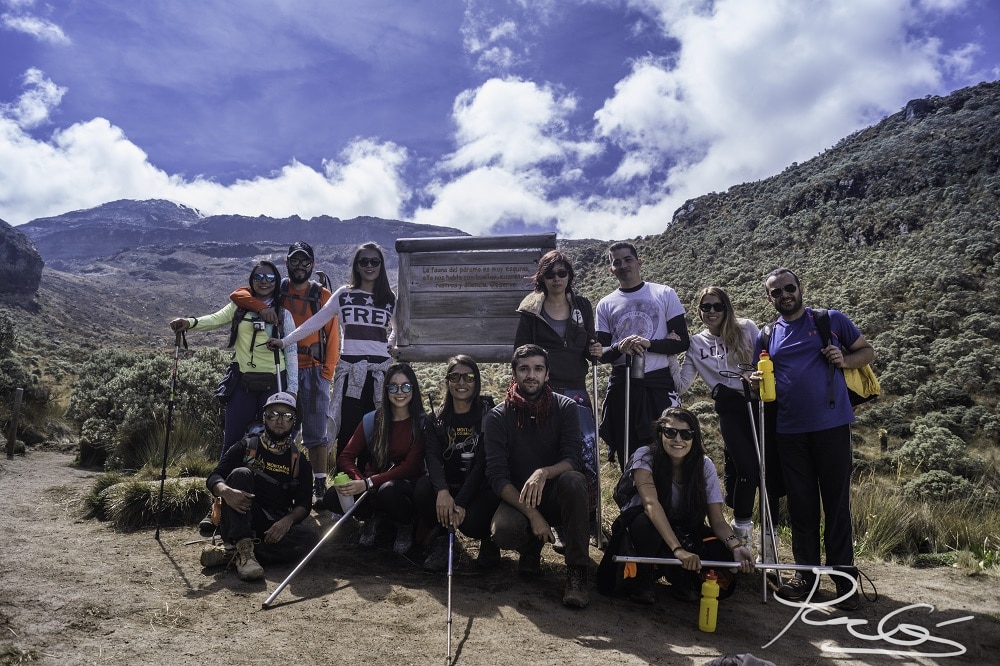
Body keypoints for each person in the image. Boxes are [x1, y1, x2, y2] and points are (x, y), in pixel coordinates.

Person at [756, 268, 874, 610]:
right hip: (789, 431)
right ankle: (805, 579)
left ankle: (844, 582)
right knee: (801, 506)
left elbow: (867, 351)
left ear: (800, 288)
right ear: (770, 299)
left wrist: (846, 359)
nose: (784, 295)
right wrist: (754, 380)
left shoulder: (829, 320)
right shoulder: (766, 335)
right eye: (776, 292)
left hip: (832, 426)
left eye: (788, 288)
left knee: (836, 505)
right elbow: (760, 374)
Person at [599, 408, 754, 603]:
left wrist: (736, 546)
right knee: (645, 524)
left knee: (723, 556)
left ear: (694, 437)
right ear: (660, 433)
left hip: (684, 529)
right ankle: (643, 579)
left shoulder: (704, 465)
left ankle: (682, 577)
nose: (678, 439)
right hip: (648, 527)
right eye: (670, 432)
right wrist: (678, 550)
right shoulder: (645, 456)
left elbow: (718, 521)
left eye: (686, 434)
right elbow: (650, 504)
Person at [230, 241, 340, 508]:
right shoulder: (276, 290)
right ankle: (276, 484)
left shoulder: (323, 295)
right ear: (287, 263)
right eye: (295, 261)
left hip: (314, 369)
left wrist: (327, 372)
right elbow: (238, 295)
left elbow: (334, 334)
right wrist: (261, 307)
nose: (300, 266)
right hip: (281, 368)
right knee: (280, 429)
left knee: (316, 431)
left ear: (312, 265)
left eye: (305, 262)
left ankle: (318, 484)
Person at [484, 344, 592, 608]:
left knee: (575, 480)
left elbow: (573, 459)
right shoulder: (498, 417)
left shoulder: (565, 407)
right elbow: (497, 477)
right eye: (524, 369)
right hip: (520, 499)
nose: (531, 375)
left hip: (557, 494)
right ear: (514, 373)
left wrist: (544, 472)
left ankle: (577, 572)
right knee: (504, 531)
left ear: (547, 374)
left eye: (537, 369)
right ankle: (530, 548)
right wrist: (533, 515)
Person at [270, 242, 396, 465]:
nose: (369, 265)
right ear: (356, 266)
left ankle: (371, 488)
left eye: (374, 261)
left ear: (381, 265)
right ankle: (343, 489)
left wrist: (389, 347)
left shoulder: (388, 297)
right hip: (349, 371)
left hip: (380, 373)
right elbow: (314, 323)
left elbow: (400, 329)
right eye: (363, 261)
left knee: (377, 429)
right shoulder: (343, 295)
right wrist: (285, 341)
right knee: (347, 431)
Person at [675, 287, 776, 555]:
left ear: (726, 307)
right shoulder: (696, 343)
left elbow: (765, 361)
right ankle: (742, 531)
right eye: (705, 307)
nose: (711, 312)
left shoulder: (746, 327)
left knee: (770, 470)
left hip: (760, 405)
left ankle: (770, 535)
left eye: (716, 306)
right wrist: (669, 351)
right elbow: (682, 385)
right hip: (730, 409)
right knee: (747, 468)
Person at [514, 250, 603, 541]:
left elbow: (590, 343)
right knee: (551, 454)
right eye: (550, 274)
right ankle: (558, 519)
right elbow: (520, 351)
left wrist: (595, 349)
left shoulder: (582, 306)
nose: (556, 279)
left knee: (585, 452)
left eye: (562, 273)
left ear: (570, 276)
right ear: (541, 278)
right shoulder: (530, 309)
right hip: (546, 391)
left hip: (577, 388)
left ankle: (589, 517)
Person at [170, 260, 298, 457]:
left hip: (275, 381)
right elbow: (215, 319)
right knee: (233, 439)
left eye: (270, 278)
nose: (264, 282)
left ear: (277, 281)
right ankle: (224, 481)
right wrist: (189, 322)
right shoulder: (238, 308)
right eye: (258, 277)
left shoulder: (284, 314)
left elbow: (291, 352)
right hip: (242, 380)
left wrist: (292, 391)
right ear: (251, 281)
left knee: (273, 438)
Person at [200, 392, 319, 581]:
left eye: (287, 416)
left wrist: (287, 521)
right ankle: (243, 546)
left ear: (294, 422)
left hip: (272, 525)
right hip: (237, 518)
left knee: (310, 540)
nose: (279, 420)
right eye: (273, 414)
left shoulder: (299, 461)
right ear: (264, 418)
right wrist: (225, 491)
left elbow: (304, 503)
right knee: (241, 473)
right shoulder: (246, 446)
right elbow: (214, 476)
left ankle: (234, 555)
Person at [596, 241, 689, 471]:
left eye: (628, 260)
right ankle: (633, 504)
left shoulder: (664, 293)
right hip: (623, 386)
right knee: (628, 454)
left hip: (659, 384)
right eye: (616, 262)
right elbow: (602, 354)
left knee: (668, 451)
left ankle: (668, 505)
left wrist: (649, 344)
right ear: (611, 269)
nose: (623, 265)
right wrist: (620, 347)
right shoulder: (605, 304)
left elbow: (683, 342)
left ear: (639, 262)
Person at [415, 355, 501, 571]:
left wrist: (461, 503)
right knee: (424, 488)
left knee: (477, 516)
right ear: (447, 381)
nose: (461, 382)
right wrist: (442, 491)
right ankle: (442, 541)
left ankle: (489, 542)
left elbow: (483, 463)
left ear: (477, 381)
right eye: (455, 376)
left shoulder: (489, 415)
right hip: (450, 486)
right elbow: (432, 457)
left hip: (478, 488)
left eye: (468, 377)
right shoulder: (435, 419)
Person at [332, 363, 425, 555]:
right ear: (386, 390)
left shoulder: (422, 424)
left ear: (414, 390)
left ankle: (405, 525)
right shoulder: (372, 420)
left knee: (389, 491)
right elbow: (346, 457)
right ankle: (372, 518)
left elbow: (410, 467)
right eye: (393, 387)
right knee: (332, 497)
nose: (400, 392)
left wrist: (368, 483)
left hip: (402, 490)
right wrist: (358, 481)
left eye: (406, 386)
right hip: (371, 486)